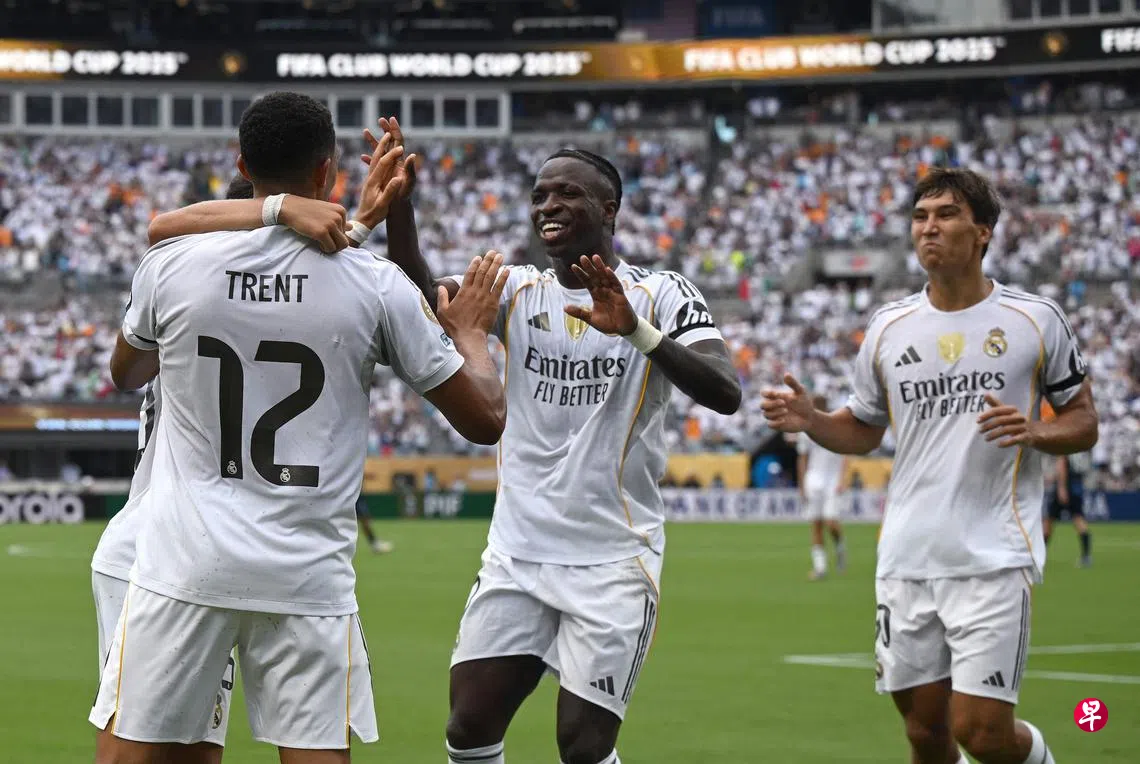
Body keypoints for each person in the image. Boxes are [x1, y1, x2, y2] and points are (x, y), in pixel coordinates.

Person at [89, 92, 509, 764]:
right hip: (306, 577)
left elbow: (128, 371)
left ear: (241, 165)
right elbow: (485, 419)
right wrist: (473, 338)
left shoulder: (172, 266)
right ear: (328, 172)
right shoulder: (375, 284)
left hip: (184, 563)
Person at [375, 118, 742, 764]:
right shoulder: (516, 289)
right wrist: (399, 208)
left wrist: (637, 332)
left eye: (567, 193)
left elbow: (725, 390)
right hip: (518, 553)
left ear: (609, 209)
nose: (548, 205)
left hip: (612, 559)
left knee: (582, 744)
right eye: (540, 195)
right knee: (468, 728)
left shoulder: (660, 293)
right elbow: (421, 294)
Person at [761, 167, 1097, 764]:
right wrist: (812, 420)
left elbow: (1084, 420)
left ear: (983, 231)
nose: (929, 228)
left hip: (993, 556)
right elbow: (863, 429)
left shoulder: (1035, 319)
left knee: (983, 733)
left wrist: (1037, 430)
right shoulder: (888, 327)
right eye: (920, 217)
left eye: (946, 214)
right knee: (924, 734)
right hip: (906, 558)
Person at [87, 176, 265, 764]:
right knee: (140, 749)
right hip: (154, 551)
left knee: (196, 751)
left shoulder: (201, 288)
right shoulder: (197, 290)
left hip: (204, 555)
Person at [796, 394, 847, 580]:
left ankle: (839, 545)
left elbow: (845, 455)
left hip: (832, 481)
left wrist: (843, 480)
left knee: (831, 522)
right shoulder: (805, 431)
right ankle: (820, 568)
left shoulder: (837, 427)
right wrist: (802, 485)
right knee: (816, 524)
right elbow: (802, 459)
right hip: (814, 480)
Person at [1044, 451, 1093, 567]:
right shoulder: (1081, 449)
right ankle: (1086, 556)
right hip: (1077, 486)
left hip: (1066, 486)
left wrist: (1061, 488)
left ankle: (1039, 554)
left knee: (1048, 521)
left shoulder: (1066, 448)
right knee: (1078, 519)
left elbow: (1061, 465)